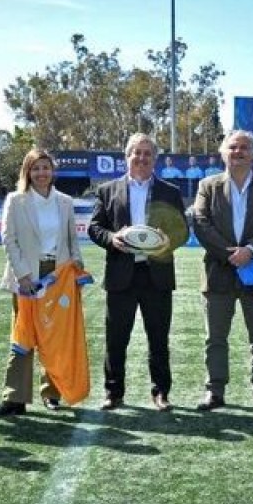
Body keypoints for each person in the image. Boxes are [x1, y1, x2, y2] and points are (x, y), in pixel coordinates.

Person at [88, 133, 188, 412]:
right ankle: (113, 392)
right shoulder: (107, 190)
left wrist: (169, 240)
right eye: (137, 152)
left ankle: (161, 392)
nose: (142, 158)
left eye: (147, 153)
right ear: (127, 157)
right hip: (121, 275)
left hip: (157, 276)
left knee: (158, 338)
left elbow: (183, 230)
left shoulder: (170, 192)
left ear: (154, 159)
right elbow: (96, 228)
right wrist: (113, 239)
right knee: (116, 339)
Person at [191, 130, 253, 411]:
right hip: (218, 272)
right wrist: (230, 253)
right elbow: (200, 222)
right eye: (233, 147)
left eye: (245, 148)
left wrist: (250, 251)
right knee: (215, 337)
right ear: (224, 153)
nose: (238, 152)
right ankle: (215, 391)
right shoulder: (207, 185)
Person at [0, 148, 83, 416]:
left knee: (55, 335)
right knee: (23, 336)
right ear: (27, 172)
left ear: (52, 171)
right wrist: (24, 276)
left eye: (45, 167)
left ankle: (52, 392)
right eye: (35, 168)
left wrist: (75, 268)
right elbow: (9, 239)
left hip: (58, 276)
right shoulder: (16, 200)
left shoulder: (65, 202)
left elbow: (72, 241)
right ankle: (14, 398)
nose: (41, 173)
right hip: (26, 278)